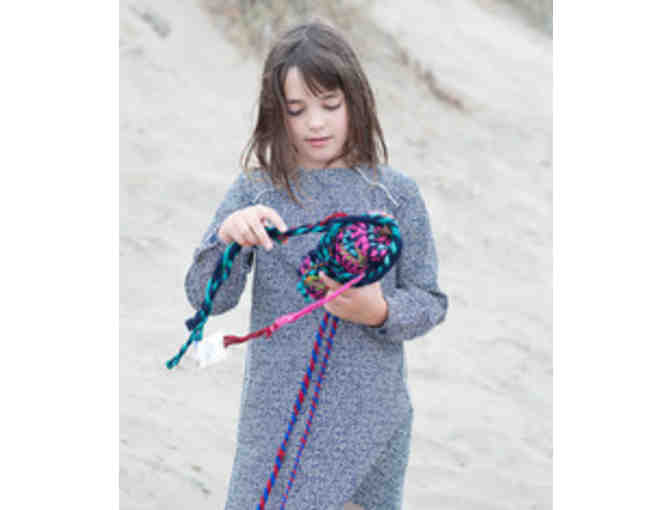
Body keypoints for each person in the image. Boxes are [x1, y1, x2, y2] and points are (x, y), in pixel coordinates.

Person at [184, 20, 448, 510]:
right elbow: (207, 299)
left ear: (356, 102)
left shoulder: (395, 195)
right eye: (297, 109)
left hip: (370, 421)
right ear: (276, 113)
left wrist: (379, 312)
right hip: (275, 418)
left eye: (330, 105)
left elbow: (430, 302)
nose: (315, 124)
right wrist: (227, 238)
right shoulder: (256, 191)